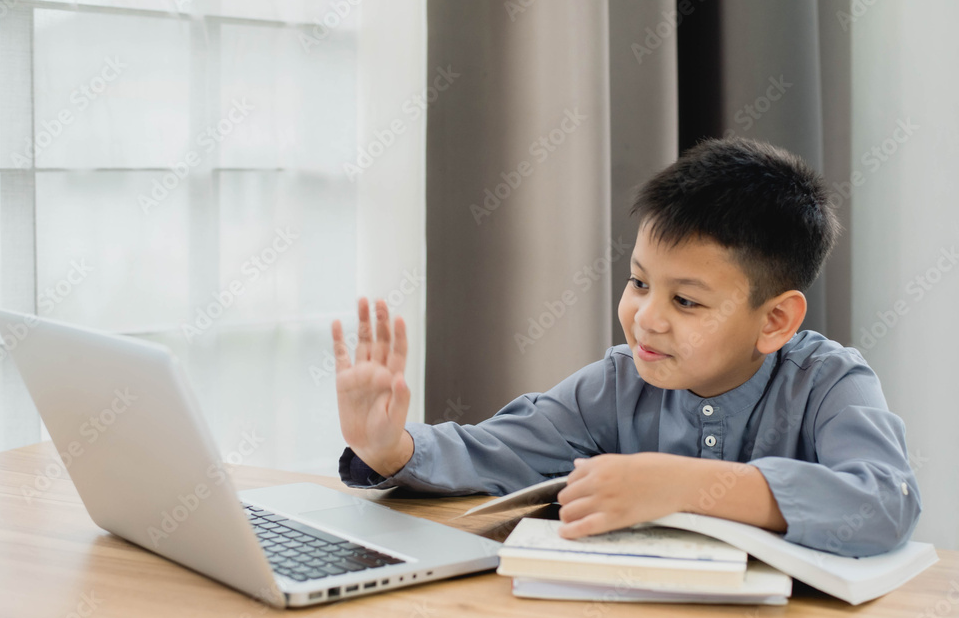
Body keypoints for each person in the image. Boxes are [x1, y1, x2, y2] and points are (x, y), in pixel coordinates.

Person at [330, 137, 921, 558]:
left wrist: (684, 485)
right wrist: (389, 447)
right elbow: (493, 452)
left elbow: (885, 501)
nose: (646, 319)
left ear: (775, 321)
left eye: (686, 301)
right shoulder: (616, 384)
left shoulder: (829, 382)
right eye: (639, 282)